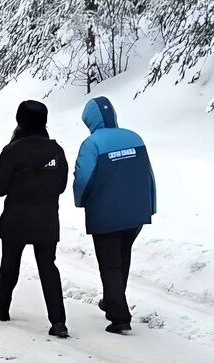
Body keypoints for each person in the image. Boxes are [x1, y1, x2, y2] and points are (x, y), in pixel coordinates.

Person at [72, 96, 156, 334]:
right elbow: (148, 174)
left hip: (106, 213)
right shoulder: (135, 138)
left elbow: (83, 179)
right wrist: (150, 205)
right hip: (136, 213)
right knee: (122, 258)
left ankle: (120, 316)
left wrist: (80, 201)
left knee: (109, 265)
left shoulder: (92, 144)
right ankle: (113, 300)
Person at [0, 101, 70, 338]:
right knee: (48, 268)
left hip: (16, 220)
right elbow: (62, 185)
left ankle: (2, 307)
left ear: (19, 121)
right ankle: (58, 321)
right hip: (46, 220)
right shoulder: (56, 151)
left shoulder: (12, 151)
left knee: (10, 263)